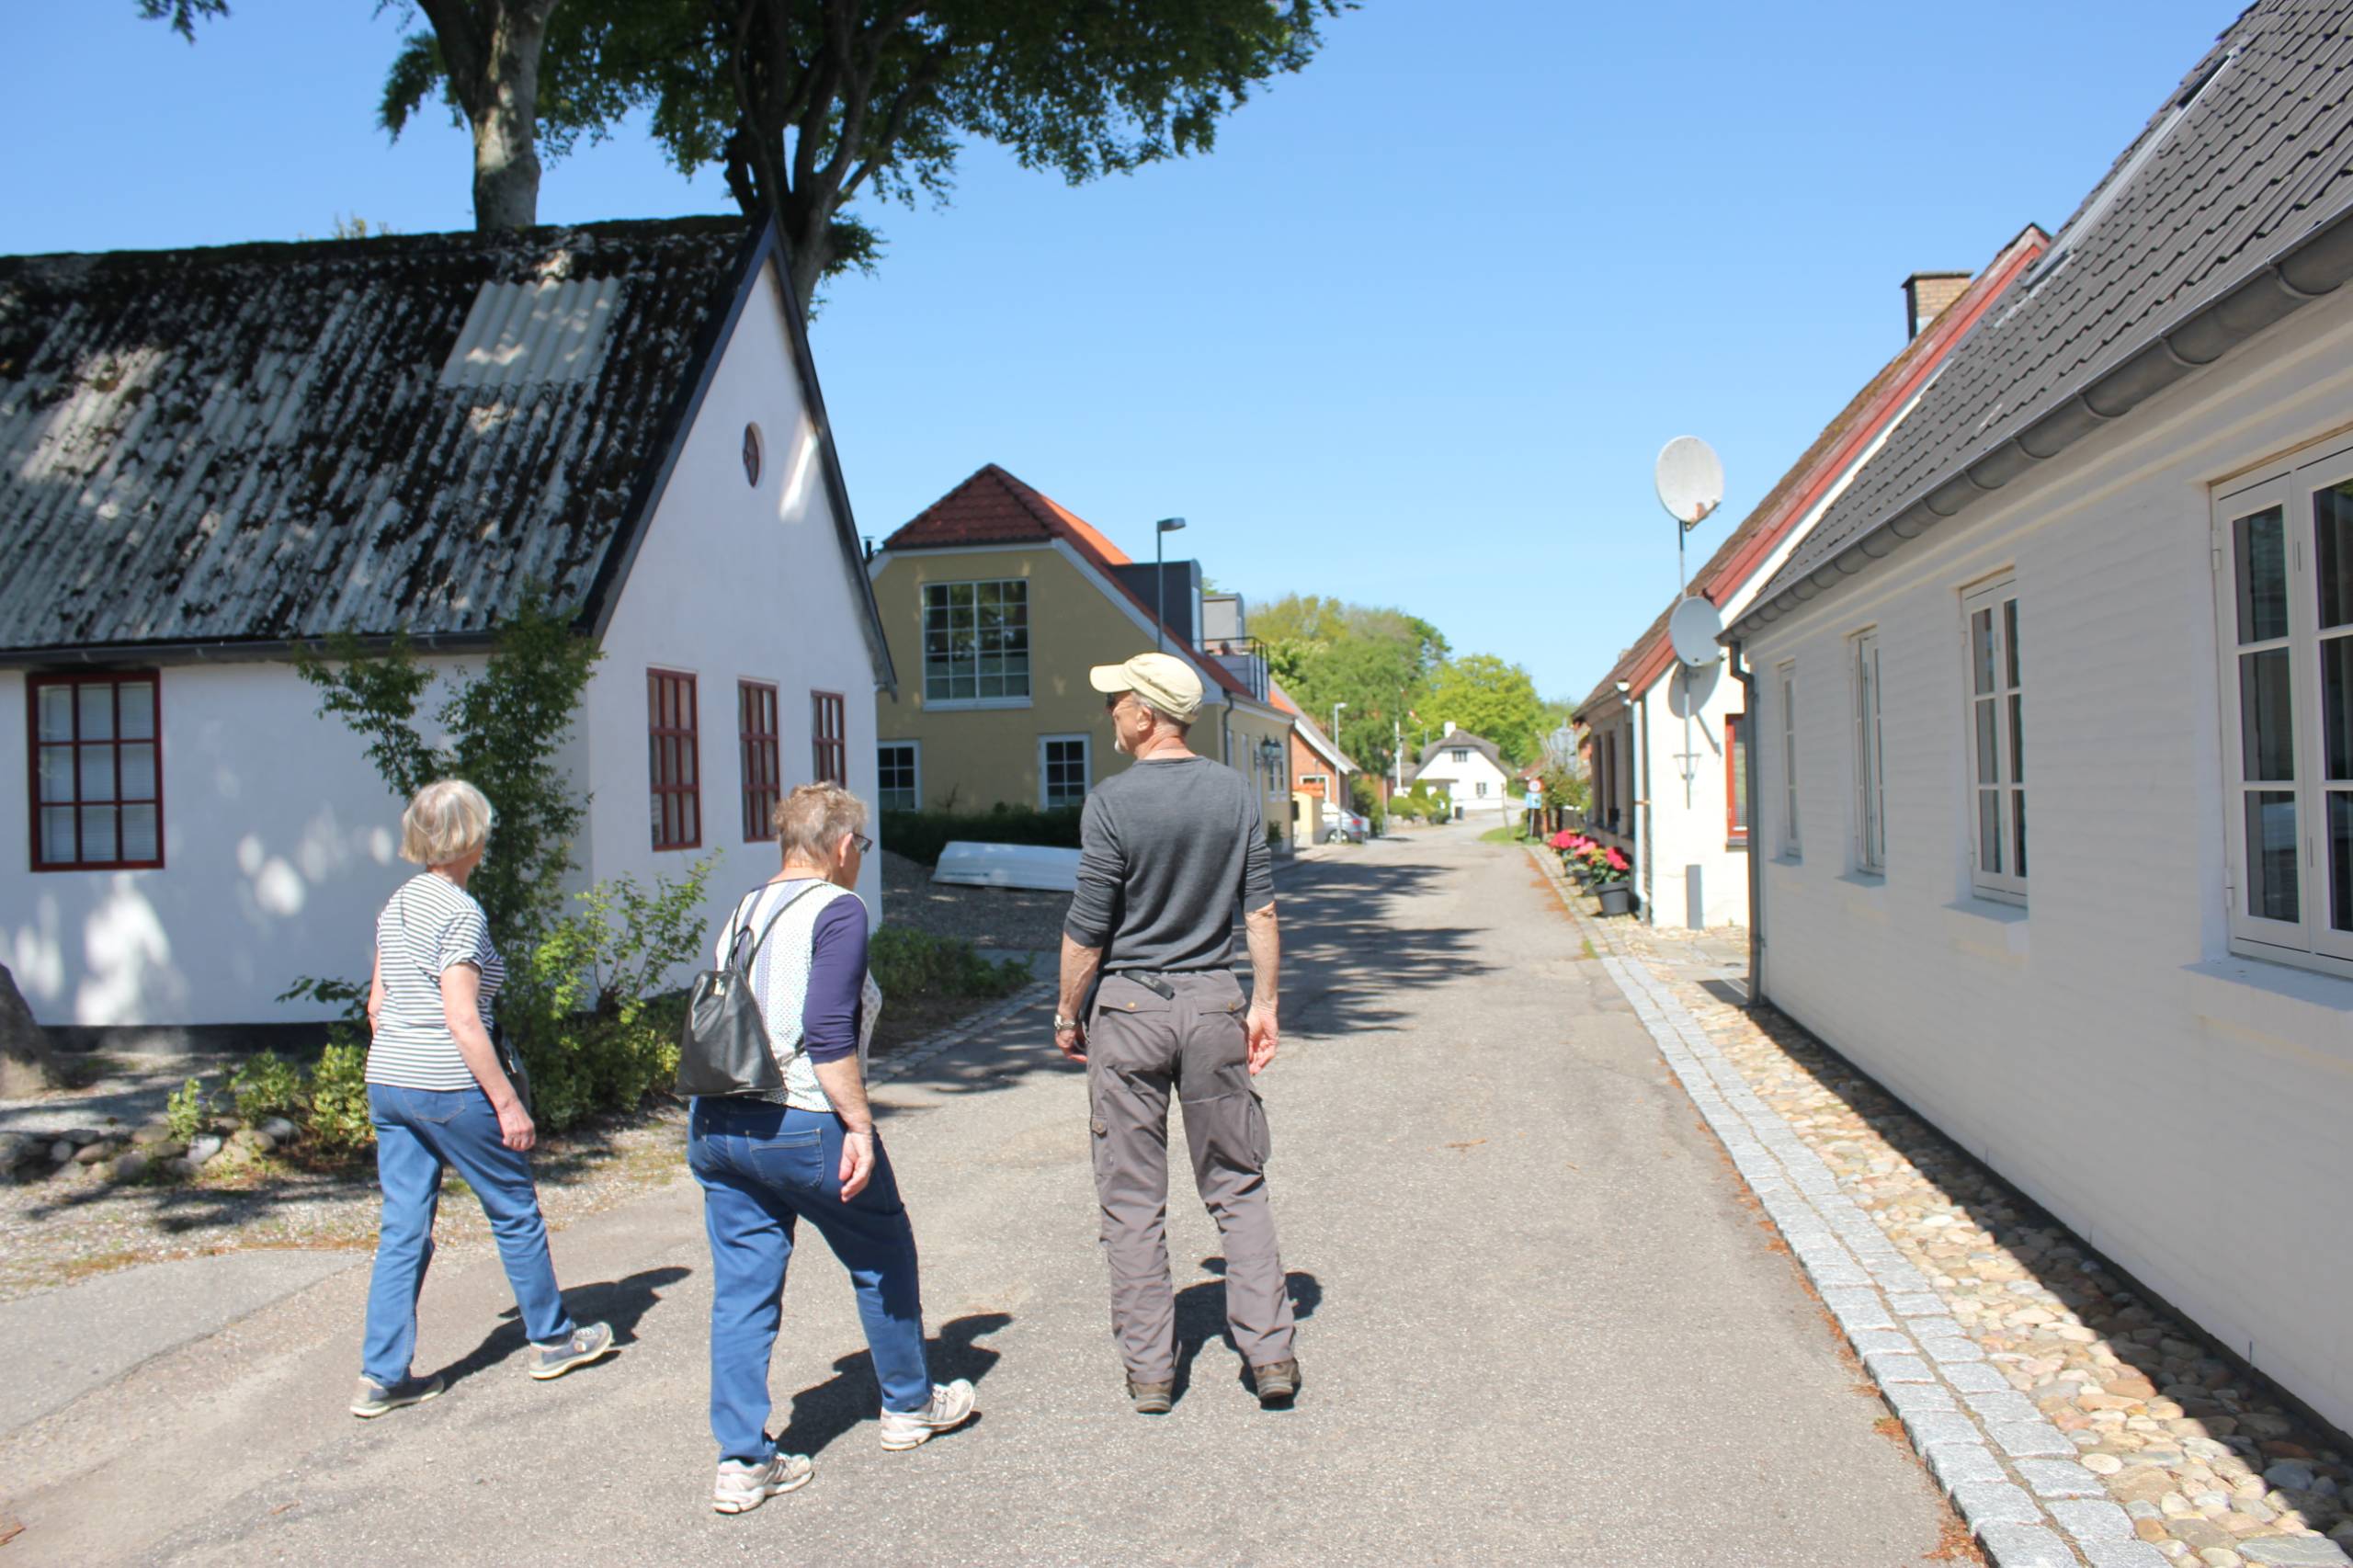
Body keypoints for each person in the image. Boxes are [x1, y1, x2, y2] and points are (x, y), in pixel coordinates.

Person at [688, 781, 976, 1516]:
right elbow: (827, 1030)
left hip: (720, 1124)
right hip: (801, 1123)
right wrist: (859, 1125)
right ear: (844, 845)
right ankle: (910, 1406)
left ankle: (742, 1462)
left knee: (744, 1293)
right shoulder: (838, 910)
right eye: (863, 847)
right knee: (883, 1250)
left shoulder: (744, 908)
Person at [1057, 652, 1299, 1415]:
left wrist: (1068, 1012)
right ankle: (1270, 1357)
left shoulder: (1110, 802)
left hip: (1129, 1010)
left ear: (1146, 714)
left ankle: (1153, 1373)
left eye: (1117, 702)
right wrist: (1263, 1003)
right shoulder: (1235, 793)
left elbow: (1088, 929)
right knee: (1237, 1183)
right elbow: (1258, 910)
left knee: (1132, 1196)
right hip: (1214, 1003)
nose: (1111, 715)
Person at [355, 779, 616, 1419]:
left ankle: (381, 1375)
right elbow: (463, 1018)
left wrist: (403, 1062)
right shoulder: (459, 912)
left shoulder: (397, 905)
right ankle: (553, 1339)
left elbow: (377, 1006)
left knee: (403, 1231)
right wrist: (506, 1102)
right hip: (449, 1082)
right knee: (513, 1208)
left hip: (388, 1079)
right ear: (472, 836)